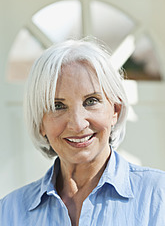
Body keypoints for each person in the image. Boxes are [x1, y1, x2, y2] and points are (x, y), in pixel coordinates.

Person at [0, 37, 165, 226]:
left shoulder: (159, 196)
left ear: (115, 110)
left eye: (91, 101)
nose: (77, 124)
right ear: (41, 123)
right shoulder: (8, 213)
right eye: (58, 105)